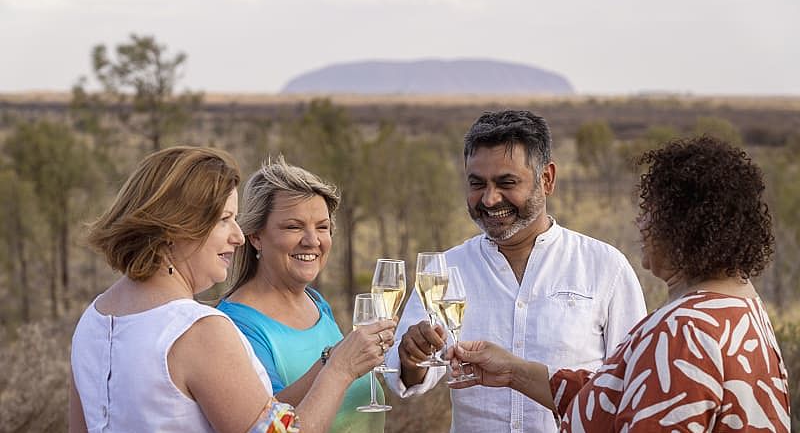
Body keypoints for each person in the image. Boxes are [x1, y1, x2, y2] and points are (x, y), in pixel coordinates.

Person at [448, 136, 790, 432]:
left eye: (652, 211)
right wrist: (513, 372)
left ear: (687, 227)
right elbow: (620, 395)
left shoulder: (683, 331)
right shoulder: (740, 308)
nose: (641, 222)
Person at [70, 146, 394, 433]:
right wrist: (339, 369)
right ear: (175, 227)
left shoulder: (95, 319)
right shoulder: (198, 330)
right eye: (224, 219)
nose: (238, 236)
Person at [384, 110, 647, 432]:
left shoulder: (606, 267)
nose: (490, 199)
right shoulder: (446, 268)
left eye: (507, 183)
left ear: (546, 179)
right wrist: (412, 357)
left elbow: (633, 385)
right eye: (477, 184)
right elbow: (408, 377)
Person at [218, 156, 389, 433]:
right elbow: (266, 421)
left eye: (322, 227)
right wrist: (335, 363)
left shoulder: (316, 303)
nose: (313, 240)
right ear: (256, 236)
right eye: (293, 227)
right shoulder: (236, 325)